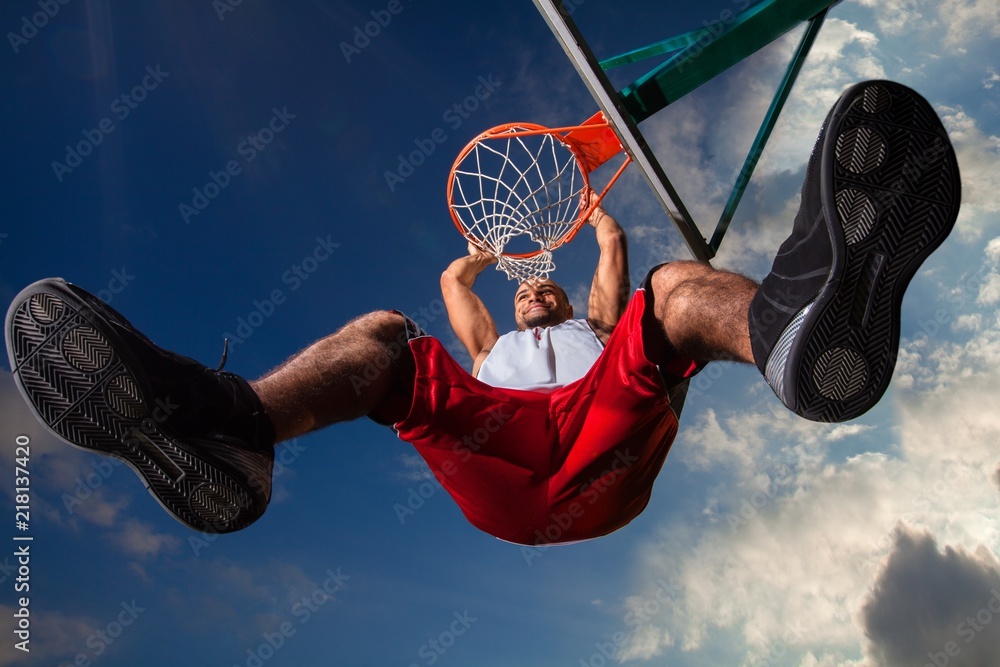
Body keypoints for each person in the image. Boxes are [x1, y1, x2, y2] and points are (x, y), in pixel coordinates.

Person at [5, 80, 960, 546]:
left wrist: (591, 221)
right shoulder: (491, 340)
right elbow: (455, 288)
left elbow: (618, 264)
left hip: (600, 435)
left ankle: (792, 336)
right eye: (525, 289)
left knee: (671, 287)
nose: (535, 292)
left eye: (545, 285)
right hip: (498, 455)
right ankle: (230, 425)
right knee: (387, 336)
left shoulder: (596, 321)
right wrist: (492, 254)